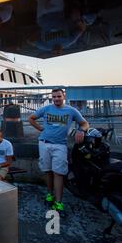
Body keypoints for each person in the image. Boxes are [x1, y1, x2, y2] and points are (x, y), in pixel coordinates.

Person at [28, 88, 89, 216]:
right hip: (44, 143)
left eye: (58, 96)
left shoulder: (71, 111)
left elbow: (84, 123)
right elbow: (31, 118)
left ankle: (59, 202)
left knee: (58, 173)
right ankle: (50, 194)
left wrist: (81, 130)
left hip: (60, 146)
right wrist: (40, 128)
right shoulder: (46, 109)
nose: (56, 99)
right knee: (47, 171)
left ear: (63, 96)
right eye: (54, 97)